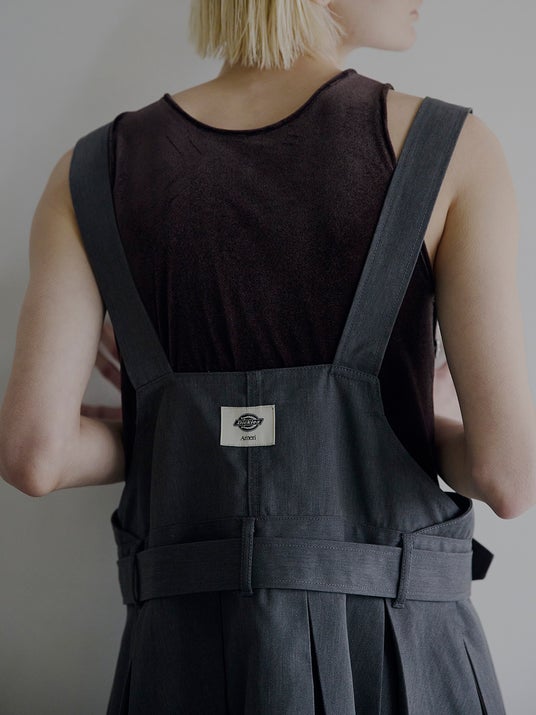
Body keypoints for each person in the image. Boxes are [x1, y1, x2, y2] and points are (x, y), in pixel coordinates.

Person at [1, 0, 535, 712]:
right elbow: (509, 475)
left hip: (180, 662)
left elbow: (35, 456)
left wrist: (182, 427)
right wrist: (406, 410)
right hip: (395, 657)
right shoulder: (451, 147)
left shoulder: (92, 167)